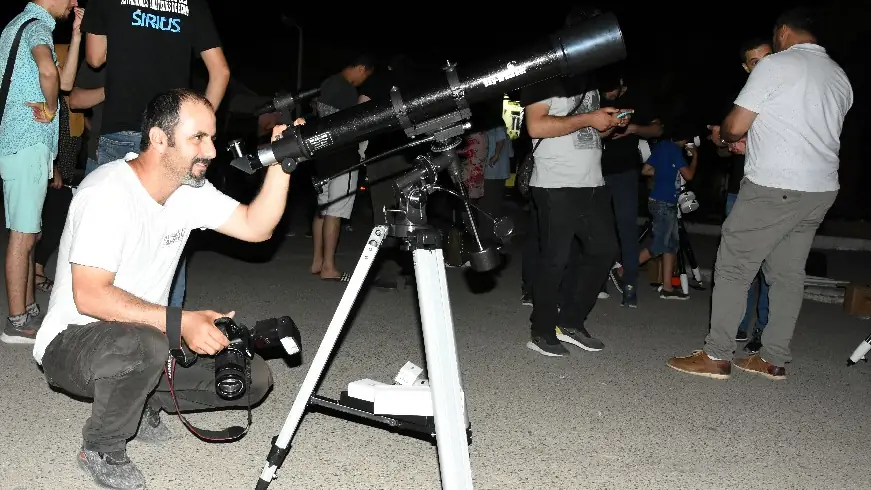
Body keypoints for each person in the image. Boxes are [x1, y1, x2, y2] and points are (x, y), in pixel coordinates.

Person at [33, 89, 302, 489]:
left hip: (148, 339)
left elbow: (255, 225)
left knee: (253, 377)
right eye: (199, 138)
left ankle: (142, 403)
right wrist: (181, 322)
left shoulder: (189, 191)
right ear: (159, 138)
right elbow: (89, 295)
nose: (211, 151)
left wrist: (283, 163)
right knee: (147, 344)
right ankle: (102, 448)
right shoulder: (106, 192)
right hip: (71, 343)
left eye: (212, 138)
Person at [668, 8, 853, 380]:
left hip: (775, 186)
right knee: (787, 274)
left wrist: (723, 135)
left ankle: (717, 354)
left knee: (735, 265)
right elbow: (803, 132)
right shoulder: (839, 77)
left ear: (783, 32)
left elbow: (735, 127)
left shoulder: (776, 65)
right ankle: (771, 358)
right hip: (820, 190)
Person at [81, 0, 231, 309]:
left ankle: (104, 344)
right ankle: (169, 345)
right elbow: (221, 72)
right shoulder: (194, 4)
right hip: (173, 142)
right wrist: (197, 133)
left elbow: (95, 58)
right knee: (169, 246)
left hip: (121, 132)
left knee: (106, 246)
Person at [0, 0, 80, 344]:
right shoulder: (34, 25)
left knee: (30, 232)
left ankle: (29, 310)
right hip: (26, 141)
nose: (75, 3)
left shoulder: (30, 26)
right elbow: (48, 73)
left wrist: (76, 36)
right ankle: (16, 322)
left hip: (31, 146)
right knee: (22, 234)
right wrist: (49, 109)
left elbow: (65, 82)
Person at [718, 37, 773, 353]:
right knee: (739, 265)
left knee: (771, 268)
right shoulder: (740, 98)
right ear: (746, 67)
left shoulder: (786, 94)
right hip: (741, 190)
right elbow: (723, 148)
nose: (764, 64)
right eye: (756, 61)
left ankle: (764, 331)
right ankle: (737, 326)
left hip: (776, 190)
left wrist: (748, 144)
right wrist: (726, 143)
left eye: (768, 57)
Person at [600, 76, 664, 307]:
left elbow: (658, 129)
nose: (608, 95)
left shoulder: (637, 97)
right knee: (597, 229)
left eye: (612, 90)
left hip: (624, 173)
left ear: (621, 81)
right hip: (594, 172)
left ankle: (630, 287)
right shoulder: (594, 95)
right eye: (604, 92)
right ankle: (598, 282)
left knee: (626, 229)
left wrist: (633, 128)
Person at [311, 55, 375, 282]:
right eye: (365, 75)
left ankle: (317, 261)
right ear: (360, 67)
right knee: (335, 213)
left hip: (323, 156)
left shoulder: (328, 84)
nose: (362, 81)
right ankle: (329, 266)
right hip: (343, 157)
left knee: (323, 209)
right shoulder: (347, 91)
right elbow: (352, 127)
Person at [638, 133, 698, 299]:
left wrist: (665, 172)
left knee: (671, 245)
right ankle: (622, 269)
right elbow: (689, 175)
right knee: (658, 246)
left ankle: (667, 288)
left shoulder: (662, 147)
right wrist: (695, 157)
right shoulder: (674, 150)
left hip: (660, 200)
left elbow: (646, 170)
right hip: (664, 203)